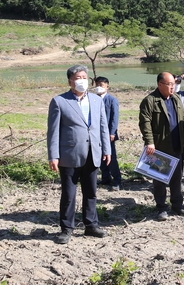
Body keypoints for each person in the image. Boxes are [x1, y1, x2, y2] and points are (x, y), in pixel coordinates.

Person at [47, 65, 111, 244]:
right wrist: (53, 155)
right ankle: (66, 228)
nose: (81, 80)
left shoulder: (96, 100)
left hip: (93, 152)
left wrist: (106, 149)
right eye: (77, 77)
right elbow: (53, 132)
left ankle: (91, 225)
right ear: (70, 81)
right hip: (69, 155)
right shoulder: (59, 101)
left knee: (91, 192)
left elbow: (102, 127)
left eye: (84, 77)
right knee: (69, 194)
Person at [139, 72, 184, 221]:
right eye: (169, 84)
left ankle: (177, 205)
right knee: (159, 178)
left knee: (177, 177)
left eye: (173, 84)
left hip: (177, 143)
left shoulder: (176, 99)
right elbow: (145, 123)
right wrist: (149, 141)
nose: (172, 87)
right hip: (159, 146)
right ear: (160, 84)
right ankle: (161, 207)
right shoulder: (149, 101)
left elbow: (183, 118)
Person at [94, 76, 121, 191]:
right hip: (97, 134)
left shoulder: (111, 100)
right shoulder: (94, 99)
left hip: (109, 134)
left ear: (107, 86)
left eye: (101, 85)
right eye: (97, 85)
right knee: (100, 157)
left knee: (112, 157)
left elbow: (115, 118)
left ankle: (117, 181)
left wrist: (112, 132)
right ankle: (105, 178)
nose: (99, 87)